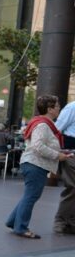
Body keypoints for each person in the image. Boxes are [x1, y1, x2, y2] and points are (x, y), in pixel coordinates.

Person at [5, 95, 71, 239]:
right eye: (57, 106)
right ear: (49, 109)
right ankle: (21, 228)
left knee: (30, 195)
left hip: (34, 164)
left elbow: (42, 145)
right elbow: (38, 146)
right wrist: (57, 155)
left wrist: (61, 153)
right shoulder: (42, 125)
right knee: (31, 196)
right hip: (35, 164)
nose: (59, 108)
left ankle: (12, 221)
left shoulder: (43, 123)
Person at [54, 99, 75, 234]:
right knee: (73, 186)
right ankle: (60, 221)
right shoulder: (72, 107)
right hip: (71, 153)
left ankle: (71, 221)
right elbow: (56, 129)